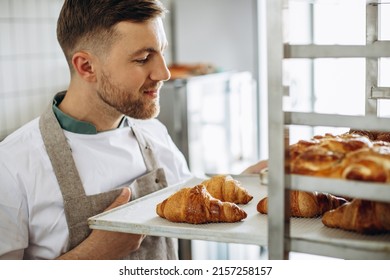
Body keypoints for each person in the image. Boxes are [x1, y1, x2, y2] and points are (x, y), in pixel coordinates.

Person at [0, 0, 263, 260]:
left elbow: (192, 199)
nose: (164, 73)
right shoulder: (11, 165)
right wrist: (97, 253)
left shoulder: (153, 133)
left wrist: (248, 180)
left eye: (162, 52)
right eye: (143, 58)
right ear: (86, 67)